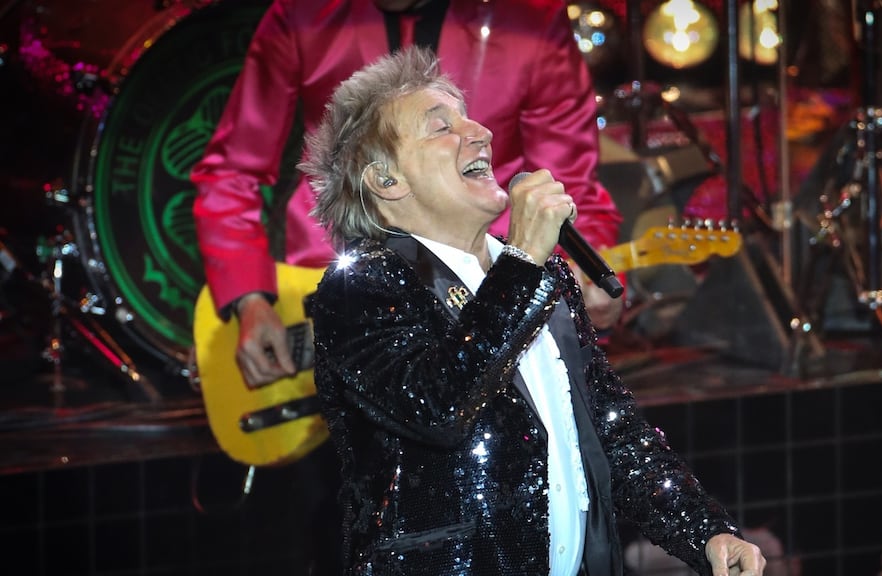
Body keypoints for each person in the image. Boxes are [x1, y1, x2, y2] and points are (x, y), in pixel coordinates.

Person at [302, 45, 766, 576]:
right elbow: (438, 407)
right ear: (386, 181)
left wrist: (704, 531)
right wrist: (521, 262)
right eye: (440, 128)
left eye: (469, 118)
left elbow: (612, 429)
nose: (481, 133)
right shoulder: (360, 288)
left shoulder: (544, 277)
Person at [190, 0, 624, 390]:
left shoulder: (530, 20)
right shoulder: (301, 14)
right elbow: (232, 171)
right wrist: (249, 297)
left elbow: (567, 183)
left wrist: (586, 270)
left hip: (489, 291)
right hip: (331, 290)